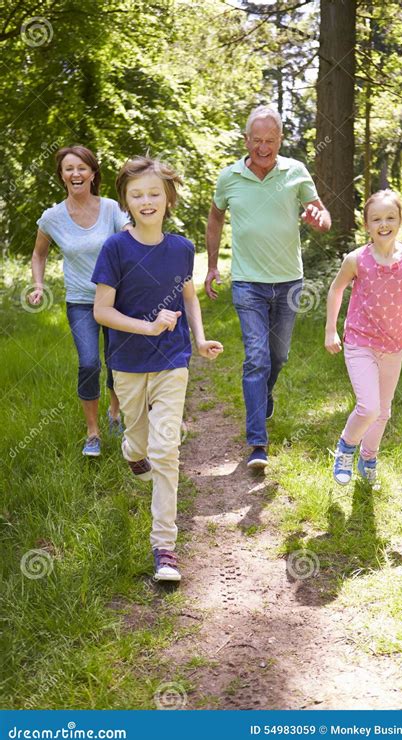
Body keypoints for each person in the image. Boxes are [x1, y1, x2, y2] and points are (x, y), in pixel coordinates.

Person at [92, 156, 223, 582]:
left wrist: (199, 339)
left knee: (166, 450)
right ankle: (133, 451)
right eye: (136, 195)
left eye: (153, 193)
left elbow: (189, 298)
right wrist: (146, 327)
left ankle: (164, 547)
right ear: (125, 202)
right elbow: (101, 311)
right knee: (138, 440)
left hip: (172, 359)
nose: (146, 201)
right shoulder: (115, 248)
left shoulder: (182, 248)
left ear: (168, 198)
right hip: (128, 363)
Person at [205, 104, 331, 469]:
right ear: (246, 140)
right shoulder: (229, 177)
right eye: (257, 140)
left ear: (280, 140)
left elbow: (322, 216)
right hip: (247, 283)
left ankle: (264, 395)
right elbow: (215, 218)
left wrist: (317, 218)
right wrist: (213, 266)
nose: (263, 147)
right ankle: (257, 443)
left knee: (279, 356)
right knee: (256, 358)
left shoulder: (296, 172)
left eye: (270, 140)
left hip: (289, 280)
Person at [325, 189, 402, 485]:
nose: (384, 224)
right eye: (376, 219)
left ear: (401, 220)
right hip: (360, 340)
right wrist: (330, 329)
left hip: (394, 344)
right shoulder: (356, 260)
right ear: (367, 225)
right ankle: (345, 448)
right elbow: (336, 289)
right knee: (368, 407)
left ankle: (369, 458)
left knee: (383, 412)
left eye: (390, 217)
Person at [29, 145, 130, 457]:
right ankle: (92, 432)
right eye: (69, 169)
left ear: (93, 173)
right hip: (81, 301)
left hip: (116, 298)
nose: (76, 174)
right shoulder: (52, 218)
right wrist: (38, 284)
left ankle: (115, 414)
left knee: (117, 362)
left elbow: (132, 241)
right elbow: (38, 254)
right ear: (62, 175)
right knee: (89, 363)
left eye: (82, 168)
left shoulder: (112, 209)